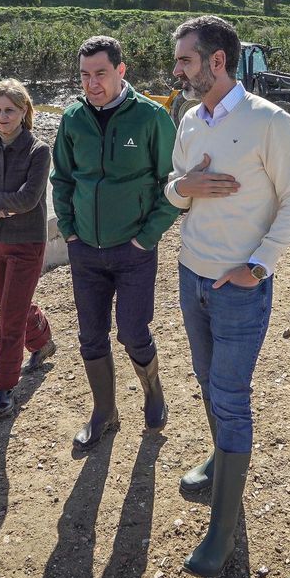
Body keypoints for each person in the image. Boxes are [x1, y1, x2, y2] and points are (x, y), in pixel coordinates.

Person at [165, 15, 290, 578]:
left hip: (239, 287)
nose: (177, 69)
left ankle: (223, 534)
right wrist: (185, 188)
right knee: (207, 382)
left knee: (229, 393)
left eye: (184, 60)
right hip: (190, 274)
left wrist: (259, 264)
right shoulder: (189, 121)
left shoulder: (270, 122)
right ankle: (218, 459)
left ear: (216, 61)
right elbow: (174, 189)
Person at [50, 35, 181, 449]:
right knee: (90, 336)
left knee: (133, 332)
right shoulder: (72, 119)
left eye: (101, 73)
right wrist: (69, 231)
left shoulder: (150, 118)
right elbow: (63, 179)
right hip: (85, 250)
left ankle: (152, 389)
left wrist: (148, 237)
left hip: (133, 250)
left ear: (121, 71)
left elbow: (173, 184)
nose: (92, 83)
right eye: (85, 75)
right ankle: (104, 412)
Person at [0, 78, 56, 416]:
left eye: (10, 110)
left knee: (8, 316)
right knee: (10, 304)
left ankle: (4, 387)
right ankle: (42, 339)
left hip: (27, 243)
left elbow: (29, 199)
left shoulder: (38, 151)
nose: (3, 117)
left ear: (23, 112)